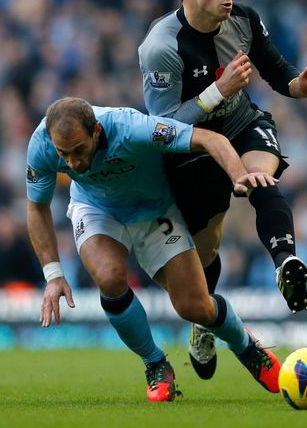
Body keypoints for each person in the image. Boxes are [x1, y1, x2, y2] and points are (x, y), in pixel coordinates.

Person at [138, 0, 307, 380]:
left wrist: (304, 86)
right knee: (207, 248)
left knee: (263, 178)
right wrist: (216, 92)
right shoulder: (160, 47)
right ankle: (205, 324)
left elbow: (281, 76)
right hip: (192, 150)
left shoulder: (244, 20)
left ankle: (285, 264)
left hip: (241, 123)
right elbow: (163, 128)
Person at [26, 97, 281, 402]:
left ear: (96, 130)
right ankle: (156, 364)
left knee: (194, 307)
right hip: (96, 208)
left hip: (155, 210)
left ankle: (246, 347)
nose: (74, 164)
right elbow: (37, 207)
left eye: (79, 150)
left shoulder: (134, 128)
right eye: (63, 154)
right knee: (109, 277)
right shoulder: (41, 144)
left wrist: (239, 175)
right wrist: (53, 274)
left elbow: (211, 139)